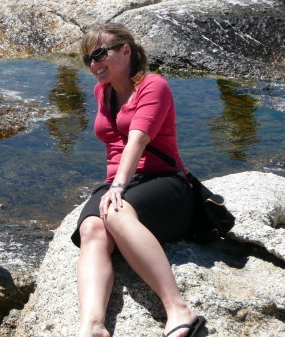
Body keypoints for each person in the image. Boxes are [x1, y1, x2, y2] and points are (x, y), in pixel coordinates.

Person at [70, 23, 205, 337]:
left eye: (100, 53)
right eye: (87, 59)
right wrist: (116, 184)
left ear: (126, 50)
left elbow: (137, 140)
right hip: (123, 181)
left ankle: (178, 309)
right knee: (91, 227)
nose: (93, 64)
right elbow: (114, 144)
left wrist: (117, 187)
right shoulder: (102, 91)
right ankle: (92, 326)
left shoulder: (153, 85)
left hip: (165, 181)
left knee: (115, 212)